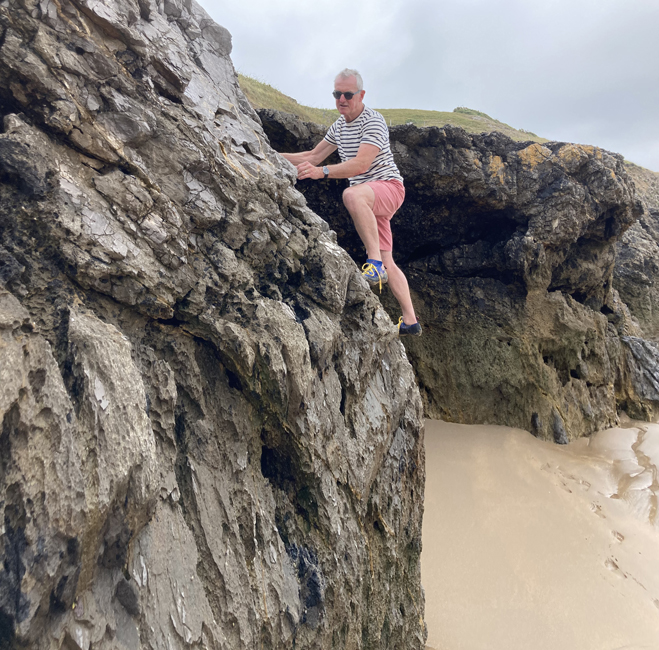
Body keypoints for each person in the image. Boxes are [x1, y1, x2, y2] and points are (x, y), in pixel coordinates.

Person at [279, 68, 422, 336]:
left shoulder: (373, 121)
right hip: (368, 200)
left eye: (348, 94)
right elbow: (313, 155)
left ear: (361, 94)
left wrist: (321, 173)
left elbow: (361, 164)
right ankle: (410, 320)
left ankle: (373, 264)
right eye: (337, 94)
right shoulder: (338, 126)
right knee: (389, 259)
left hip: (388, 188)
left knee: (351, 194)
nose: (342, 99)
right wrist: (270, 153)